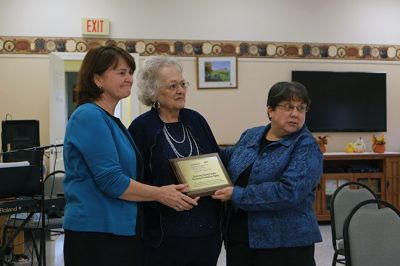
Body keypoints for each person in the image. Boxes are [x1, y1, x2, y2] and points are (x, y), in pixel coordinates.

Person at [63, 46, 198, 266]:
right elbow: (112, 181)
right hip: (96, 233)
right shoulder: (88, 116)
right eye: (121, 73)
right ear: (98, 78)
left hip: (118, 229)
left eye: (130, 72)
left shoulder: (111, 120)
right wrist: (161, 194)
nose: (129, 79)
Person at [212, 81, 323, 266]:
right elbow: (226, 158)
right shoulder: (251, 135)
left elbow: (288, 192)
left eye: (301, 108)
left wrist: (236, 194)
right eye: (288, 106)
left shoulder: (307, 146)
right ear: (270, 110)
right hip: (239, 238)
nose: (295, 113)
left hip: (284, 246)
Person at [128, 56, 222, 266]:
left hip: (207, 233)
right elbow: (132, 180)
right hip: (163, 237)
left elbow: (216, 160)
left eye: (182, 84)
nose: (181, 90)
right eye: (172, 86)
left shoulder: (196, 120)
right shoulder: (141, 128)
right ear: (153, 92)